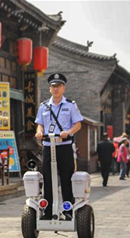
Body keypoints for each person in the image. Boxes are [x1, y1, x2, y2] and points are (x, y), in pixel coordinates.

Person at [35, 73, 83, 220]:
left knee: (66, 179)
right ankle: (48, 211)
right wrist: (39, 133)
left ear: (63, 88)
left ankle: (68, 210)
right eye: (53, 86)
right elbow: (40, 125)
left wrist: (68, 132)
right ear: (50, 89)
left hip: (64, 146)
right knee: (48, 179)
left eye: (59, 86)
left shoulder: (70, 105)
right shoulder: (44, 106)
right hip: (49, 146)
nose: (56, 89)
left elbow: (78, 124)